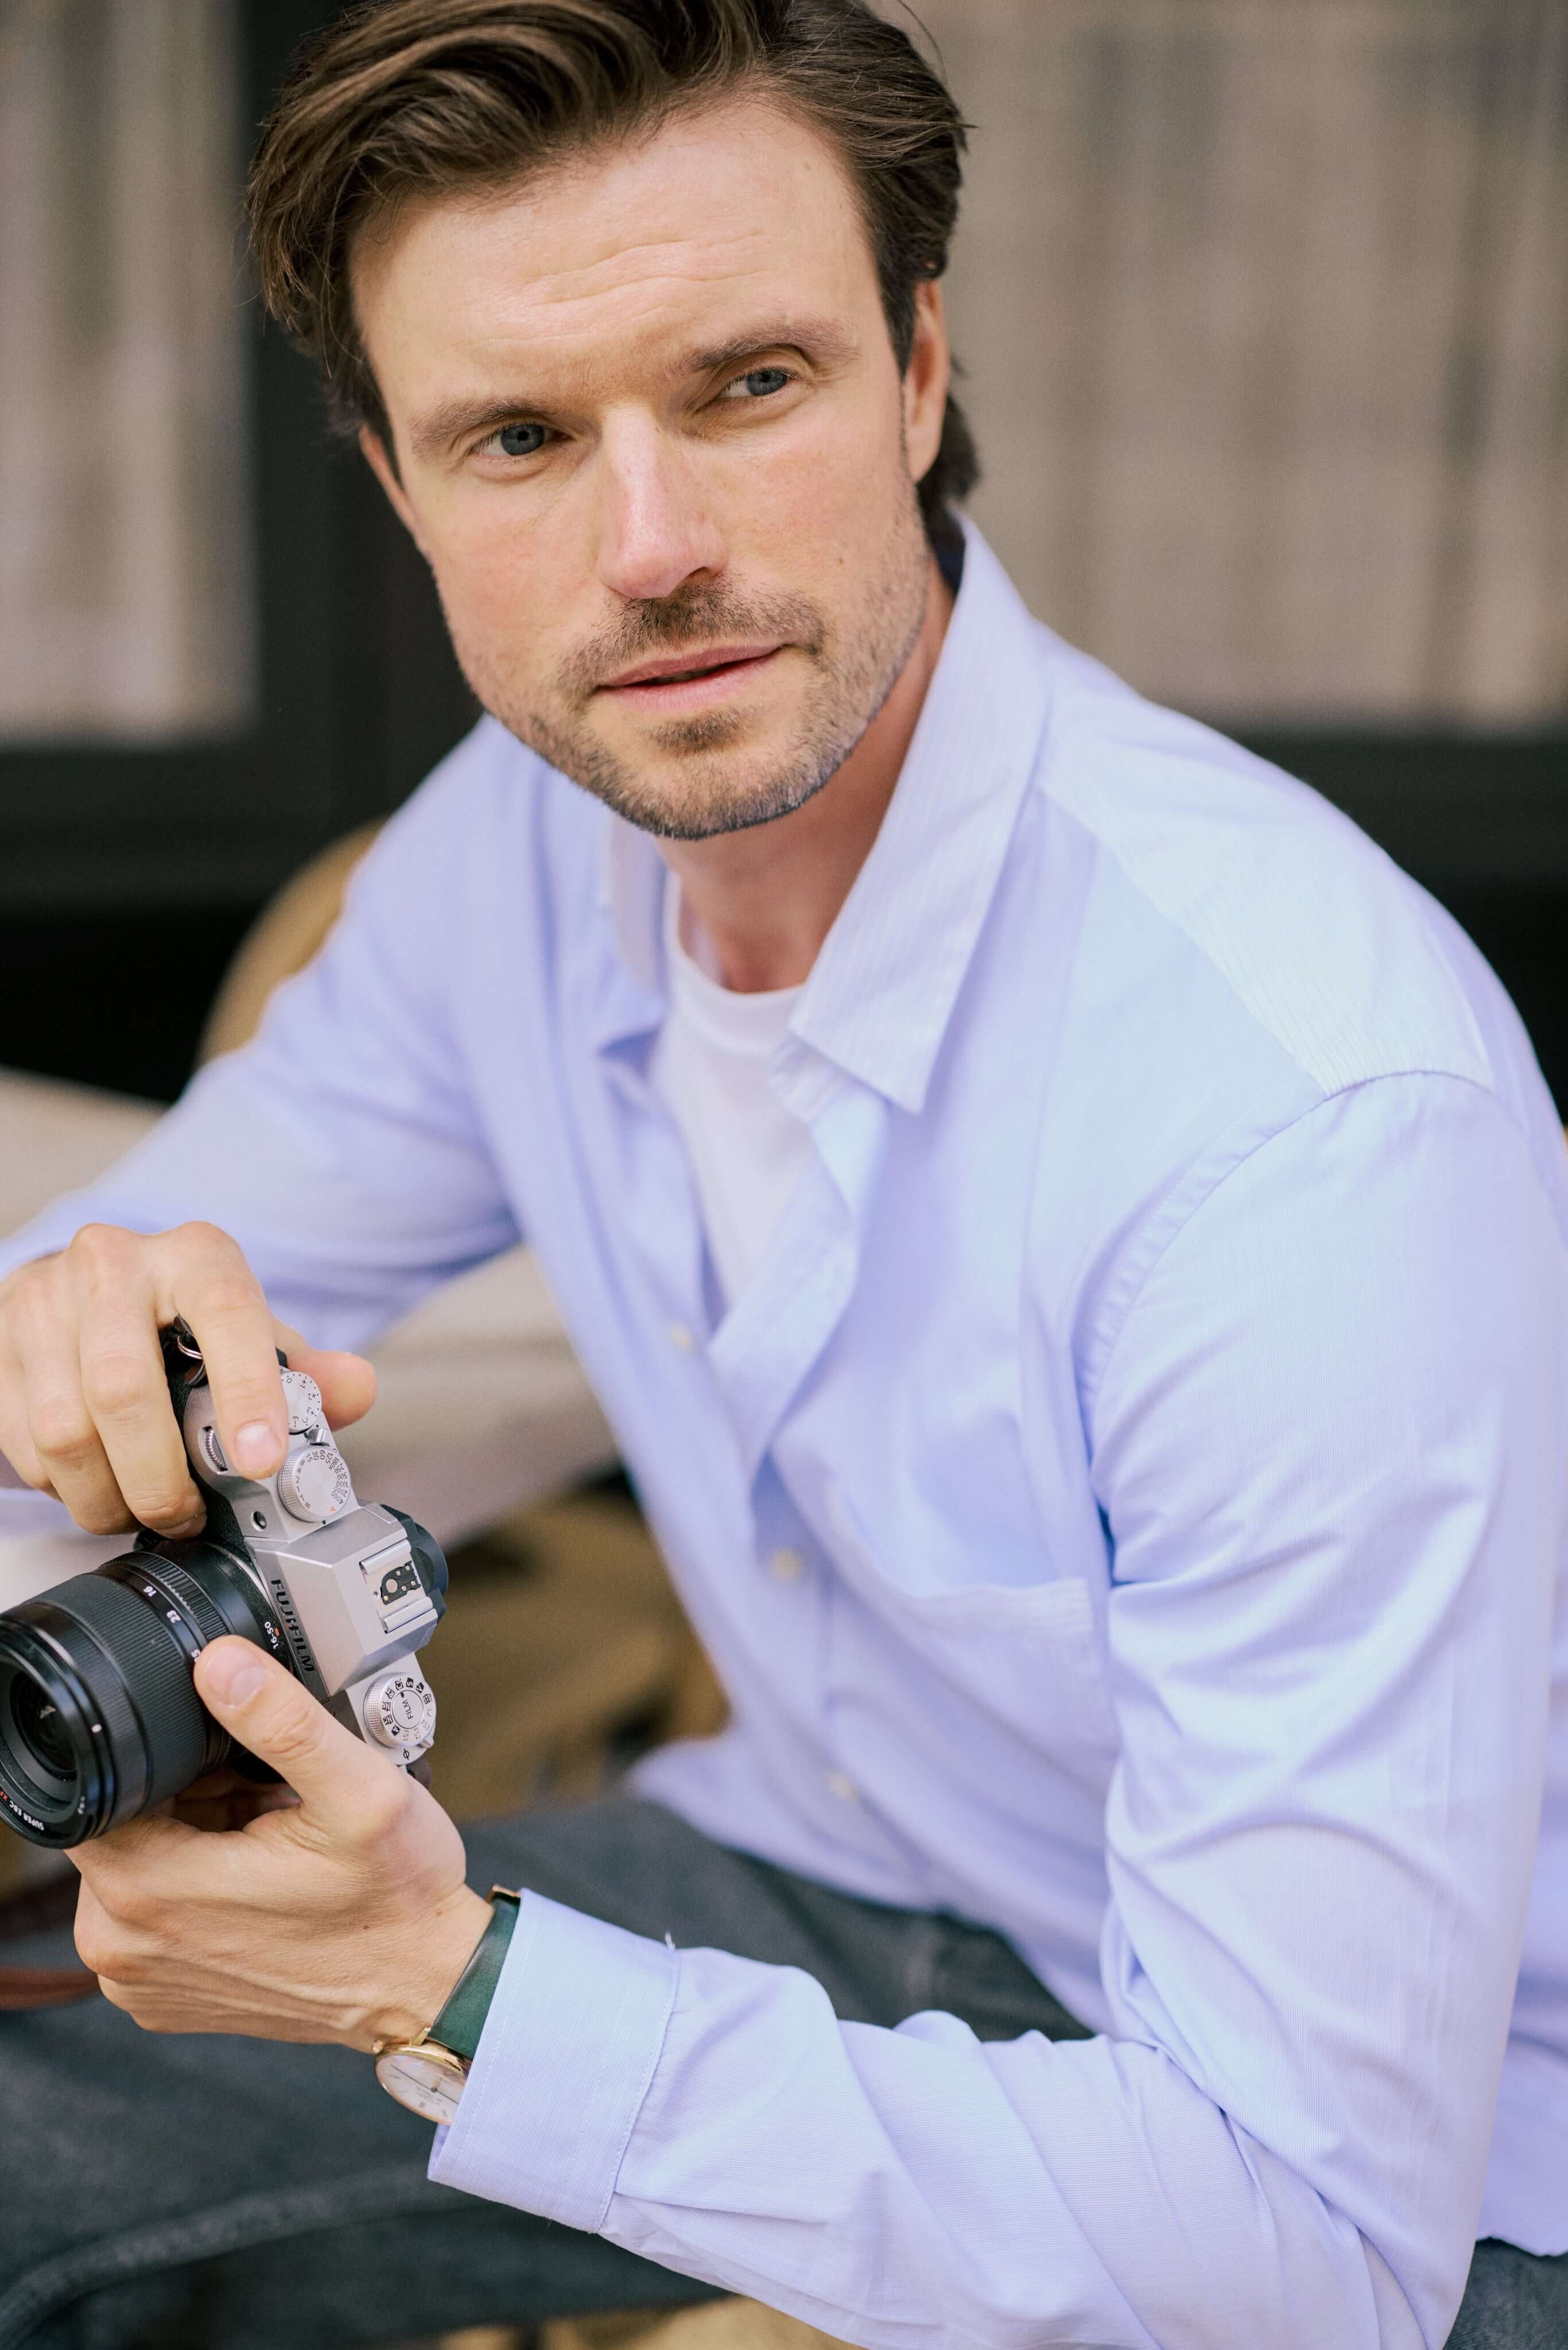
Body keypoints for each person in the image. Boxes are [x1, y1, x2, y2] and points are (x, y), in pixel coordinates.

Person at [0, 2, 1564, 2344]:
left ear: (918, 372)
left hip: (1417, 2177)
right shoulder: (524, 853)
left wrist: (448, 1980)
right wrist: (65, 1329)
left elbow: (1306, 2249)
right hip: (848, 1869)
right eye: (517, 437)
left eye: (746, 384)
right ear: (397, 485)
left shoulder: (1303, 1116)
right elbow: (112, 1308)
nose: (653, 552)